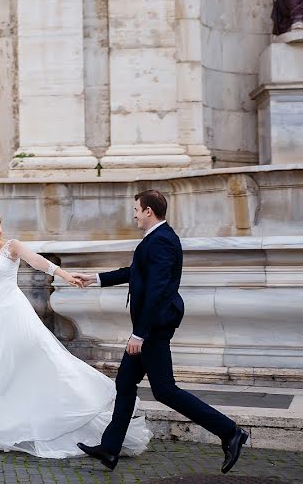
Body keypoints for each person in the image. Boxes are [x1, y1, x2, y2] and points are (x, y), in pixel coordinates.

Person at [71, 190, 248, 473]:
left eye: (137, 209)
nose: (134, 214)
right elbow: (136, 272)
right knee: (126, 384)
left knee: (165, 390)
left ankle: (230, 432)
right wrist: (95, 278)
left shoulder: (162, 240)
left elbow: (158, 291)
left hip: (153, 328)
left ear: (149, 211)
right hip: (148, 326)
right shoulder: (157, 239)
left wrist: (140, 334)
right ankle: (109, 448)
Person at [0, 208, 152, 458]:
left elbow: (38, 261)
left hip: (16, 312)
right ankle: (7, 427)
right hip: (0, 316)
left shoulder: (12, 246)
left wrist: (65, 275)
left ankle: (74, 411)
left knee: (41, 361)